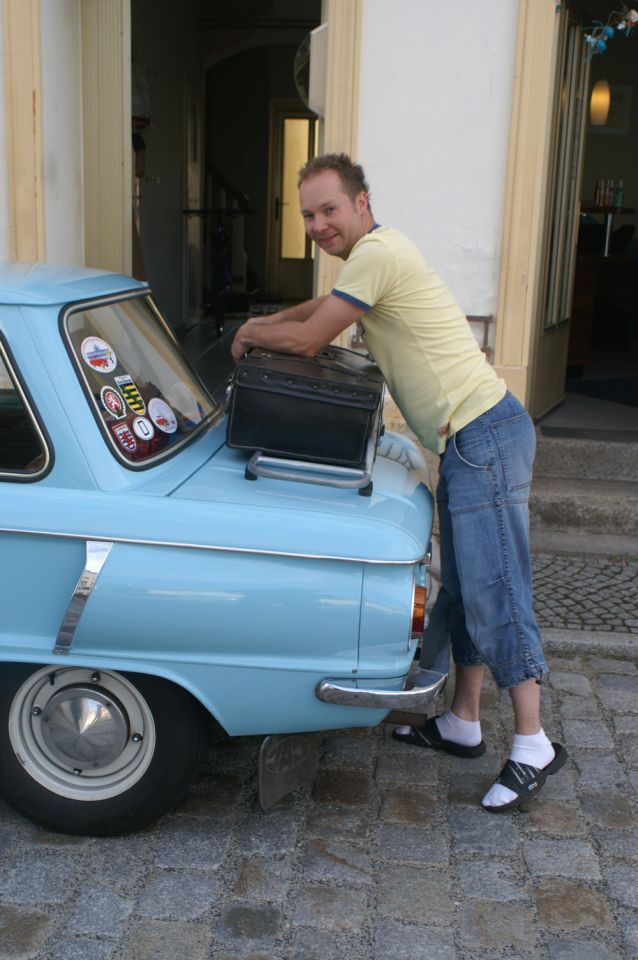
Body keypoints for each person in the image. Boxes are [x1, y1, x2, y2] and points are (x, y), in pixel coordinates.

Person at [231, 153, 566, 812]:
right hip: (470, 439)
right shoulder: (370, 259)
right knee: (465, 590)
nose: (318, 225)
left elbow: (310, 337)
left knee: (496, 588)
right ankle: (463, 721)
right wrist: (269, 322)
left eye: (329, 209)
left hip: (484, 436)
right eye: (308, 215)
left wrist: (249, 330)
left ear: (361, 203)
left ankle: (533, 743)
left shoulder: (379, 253)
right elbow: (320, 306)